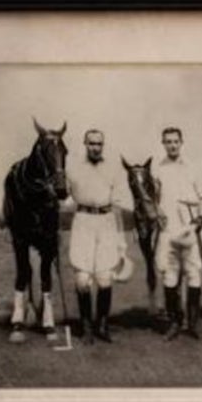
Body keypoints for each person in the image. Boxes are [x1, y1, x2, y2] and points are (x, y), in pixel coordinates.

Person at [66, 128, 127, 342]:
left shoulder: (114, 168)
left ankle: (102, 324)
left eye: (99, 144)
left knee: (104, 279)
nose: (95, 147)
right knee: (82, 279)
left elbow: (118, 204)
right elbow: (63, 196)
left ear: (103, 145)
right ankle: (85, 326)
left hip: (107, 221)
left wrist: (121, 240)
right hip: (82, 220)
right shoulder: (72, 167)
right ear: (85, 144)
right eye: (91, 143)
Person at [154, 125, 202, 340]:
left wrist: (200, 219)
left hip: (190, 229)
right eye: (167, 141)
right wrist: (157, 213)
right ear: (163, 144)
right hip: (168, 231)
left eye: (175, 141)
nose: (172, 145)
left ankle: (193, 324)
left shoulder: (193, 167)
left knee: (193, 274)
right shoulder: (158, 169)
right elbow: (154, 199)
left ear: (181, 142)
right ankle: (174, 322)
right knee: (169, 276)